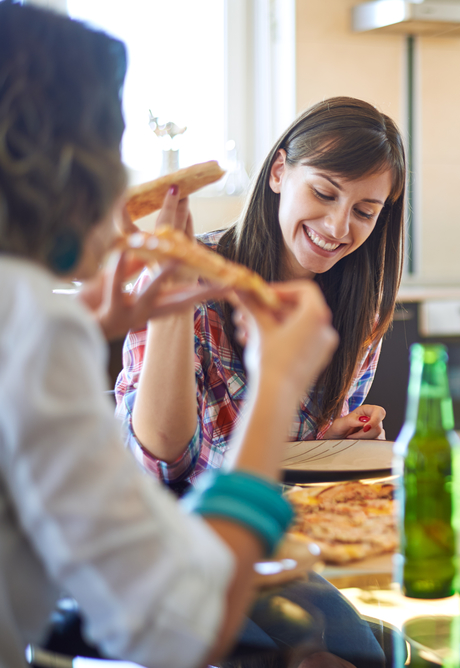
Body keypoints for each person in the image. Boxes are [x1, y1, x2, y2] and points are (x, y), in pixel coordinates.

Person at [0, 3, 339, 667]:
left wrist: (89, 331)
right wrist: (276, 386)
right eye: (112, 146)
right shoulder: (30, 321)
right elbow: (181, 626)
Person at [115, 97, 406, 489]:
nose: (338, 228)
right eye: (323, 193)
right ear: (279, 172)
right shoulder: (187, 278)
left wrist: (332, 443)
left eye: (364, 212)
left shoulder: (362, 310)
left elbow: (295, 468)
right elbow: (164, 466)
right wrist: (172, 296)